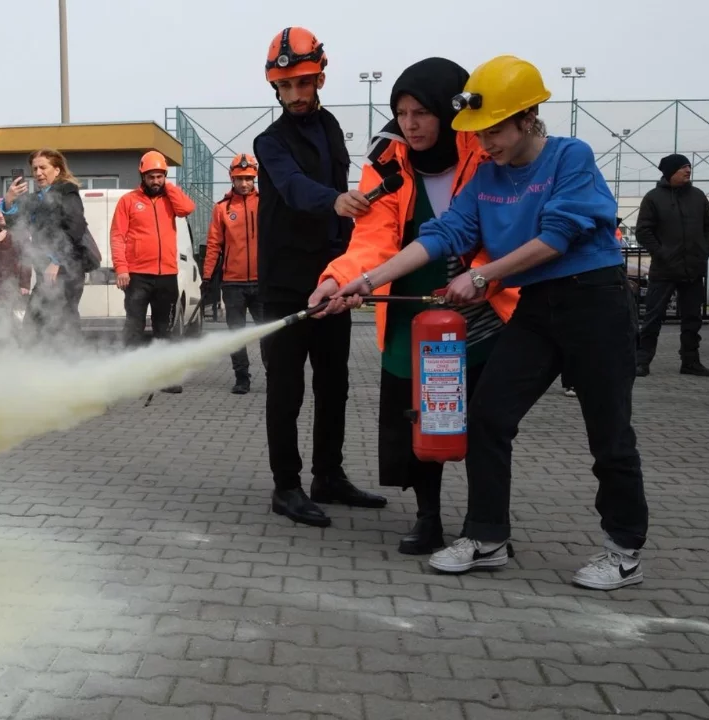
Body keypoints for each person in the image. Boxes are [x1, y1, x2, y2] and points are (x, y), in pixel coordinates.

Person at [328, 55, 648, 590]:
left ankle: (624, 549)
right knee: (487, 418)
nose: (487, 141)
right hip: (537, 310)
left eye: (496, 129)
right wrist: (365, 280)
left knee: (609, 433)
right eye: (480, 131)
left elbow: (556, 236)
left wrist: (482, 278)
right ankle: (487, 537)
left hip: (595, 304)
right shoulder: (488, 177)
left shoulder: (571, 157)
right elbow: (443, 234)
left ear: (528, 118)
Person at [309, 57, 519, 554]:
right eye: (401, 112)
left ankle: (486, 525)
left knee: (486, 421)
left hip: (486, 305)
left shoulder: (485, 147)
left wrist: (483, 275)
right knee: (423, 415)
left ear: (450, 112)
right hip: (412, 309)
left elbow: (510, 224)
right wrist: (339, 279)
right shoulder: (386, 159)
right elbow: (372, 237)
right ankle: (429, 519)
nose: (410, 124)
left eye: (421, 112)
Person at [253, 25, 386, 528]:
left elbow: (337, 197)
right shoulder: (269, 142)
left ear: (320, 78)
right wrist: (334, 200)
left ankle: (328, 476)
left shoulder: (331, 128)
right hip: (285, 284)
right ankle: (286, 486)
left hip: (331, 279)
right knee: (286, 389)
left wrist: (347, 268)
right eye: (285, 87)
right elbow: (293, 187)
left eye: (303, 84)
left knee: (335, 383)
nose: (294, 95)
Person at [110, 150, 196, 392]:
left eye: (160, 176)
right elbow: (117, 236)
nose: (156, 181)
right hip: (137, 276)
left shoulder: (170, 198)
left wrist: (169, 188)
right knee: (134, 328)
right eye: (151, 176)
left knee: (165, 329)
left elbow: (187, 208)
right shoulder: (128, 201)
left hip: (166, 276)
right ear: (142, 176)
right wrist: (121, 269)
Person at [0, 149, 95, 344]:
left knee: (64, 321)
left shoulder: (67, 192)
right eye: (34, 169)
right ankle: (39, 366)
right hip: (45, 271)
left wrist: (57, 260)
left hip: (67, 268)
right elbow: (15, 225)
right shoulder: (37, 198)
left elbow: (76, 227)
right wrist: (9, 200)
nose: (38, 173)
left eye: (43, 167)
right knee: (34, 323)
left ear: (57, 170)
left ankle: (75, 364)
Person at [634, 154, 709, 378]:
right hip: (664, 270)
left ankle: (690, 361)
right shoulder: (653, 198)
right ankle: (641, 361)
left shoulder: (698, 196)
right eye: (683, 168)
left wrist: (704, 249)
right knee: (653, 316)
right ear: (670, 171)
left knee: (693, 318)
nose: (688, 171)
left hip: (693, 268)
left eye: (689, 167)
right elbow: (643, 230)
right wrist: (661, 253)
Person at [202, 153, 263, 394]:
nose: (244, 183)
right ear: (232, 177)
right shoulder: (222, 209)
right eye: (239, 178)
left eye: (248, 178)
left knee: (268, 334)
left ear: (255, 177)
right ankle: (242, 378)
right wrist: (207, 278)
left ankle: (275, 374)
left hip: (262, 282)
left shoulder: (266, 203)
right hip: (232, 284)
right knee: (236, 334)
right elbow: (213, 245)